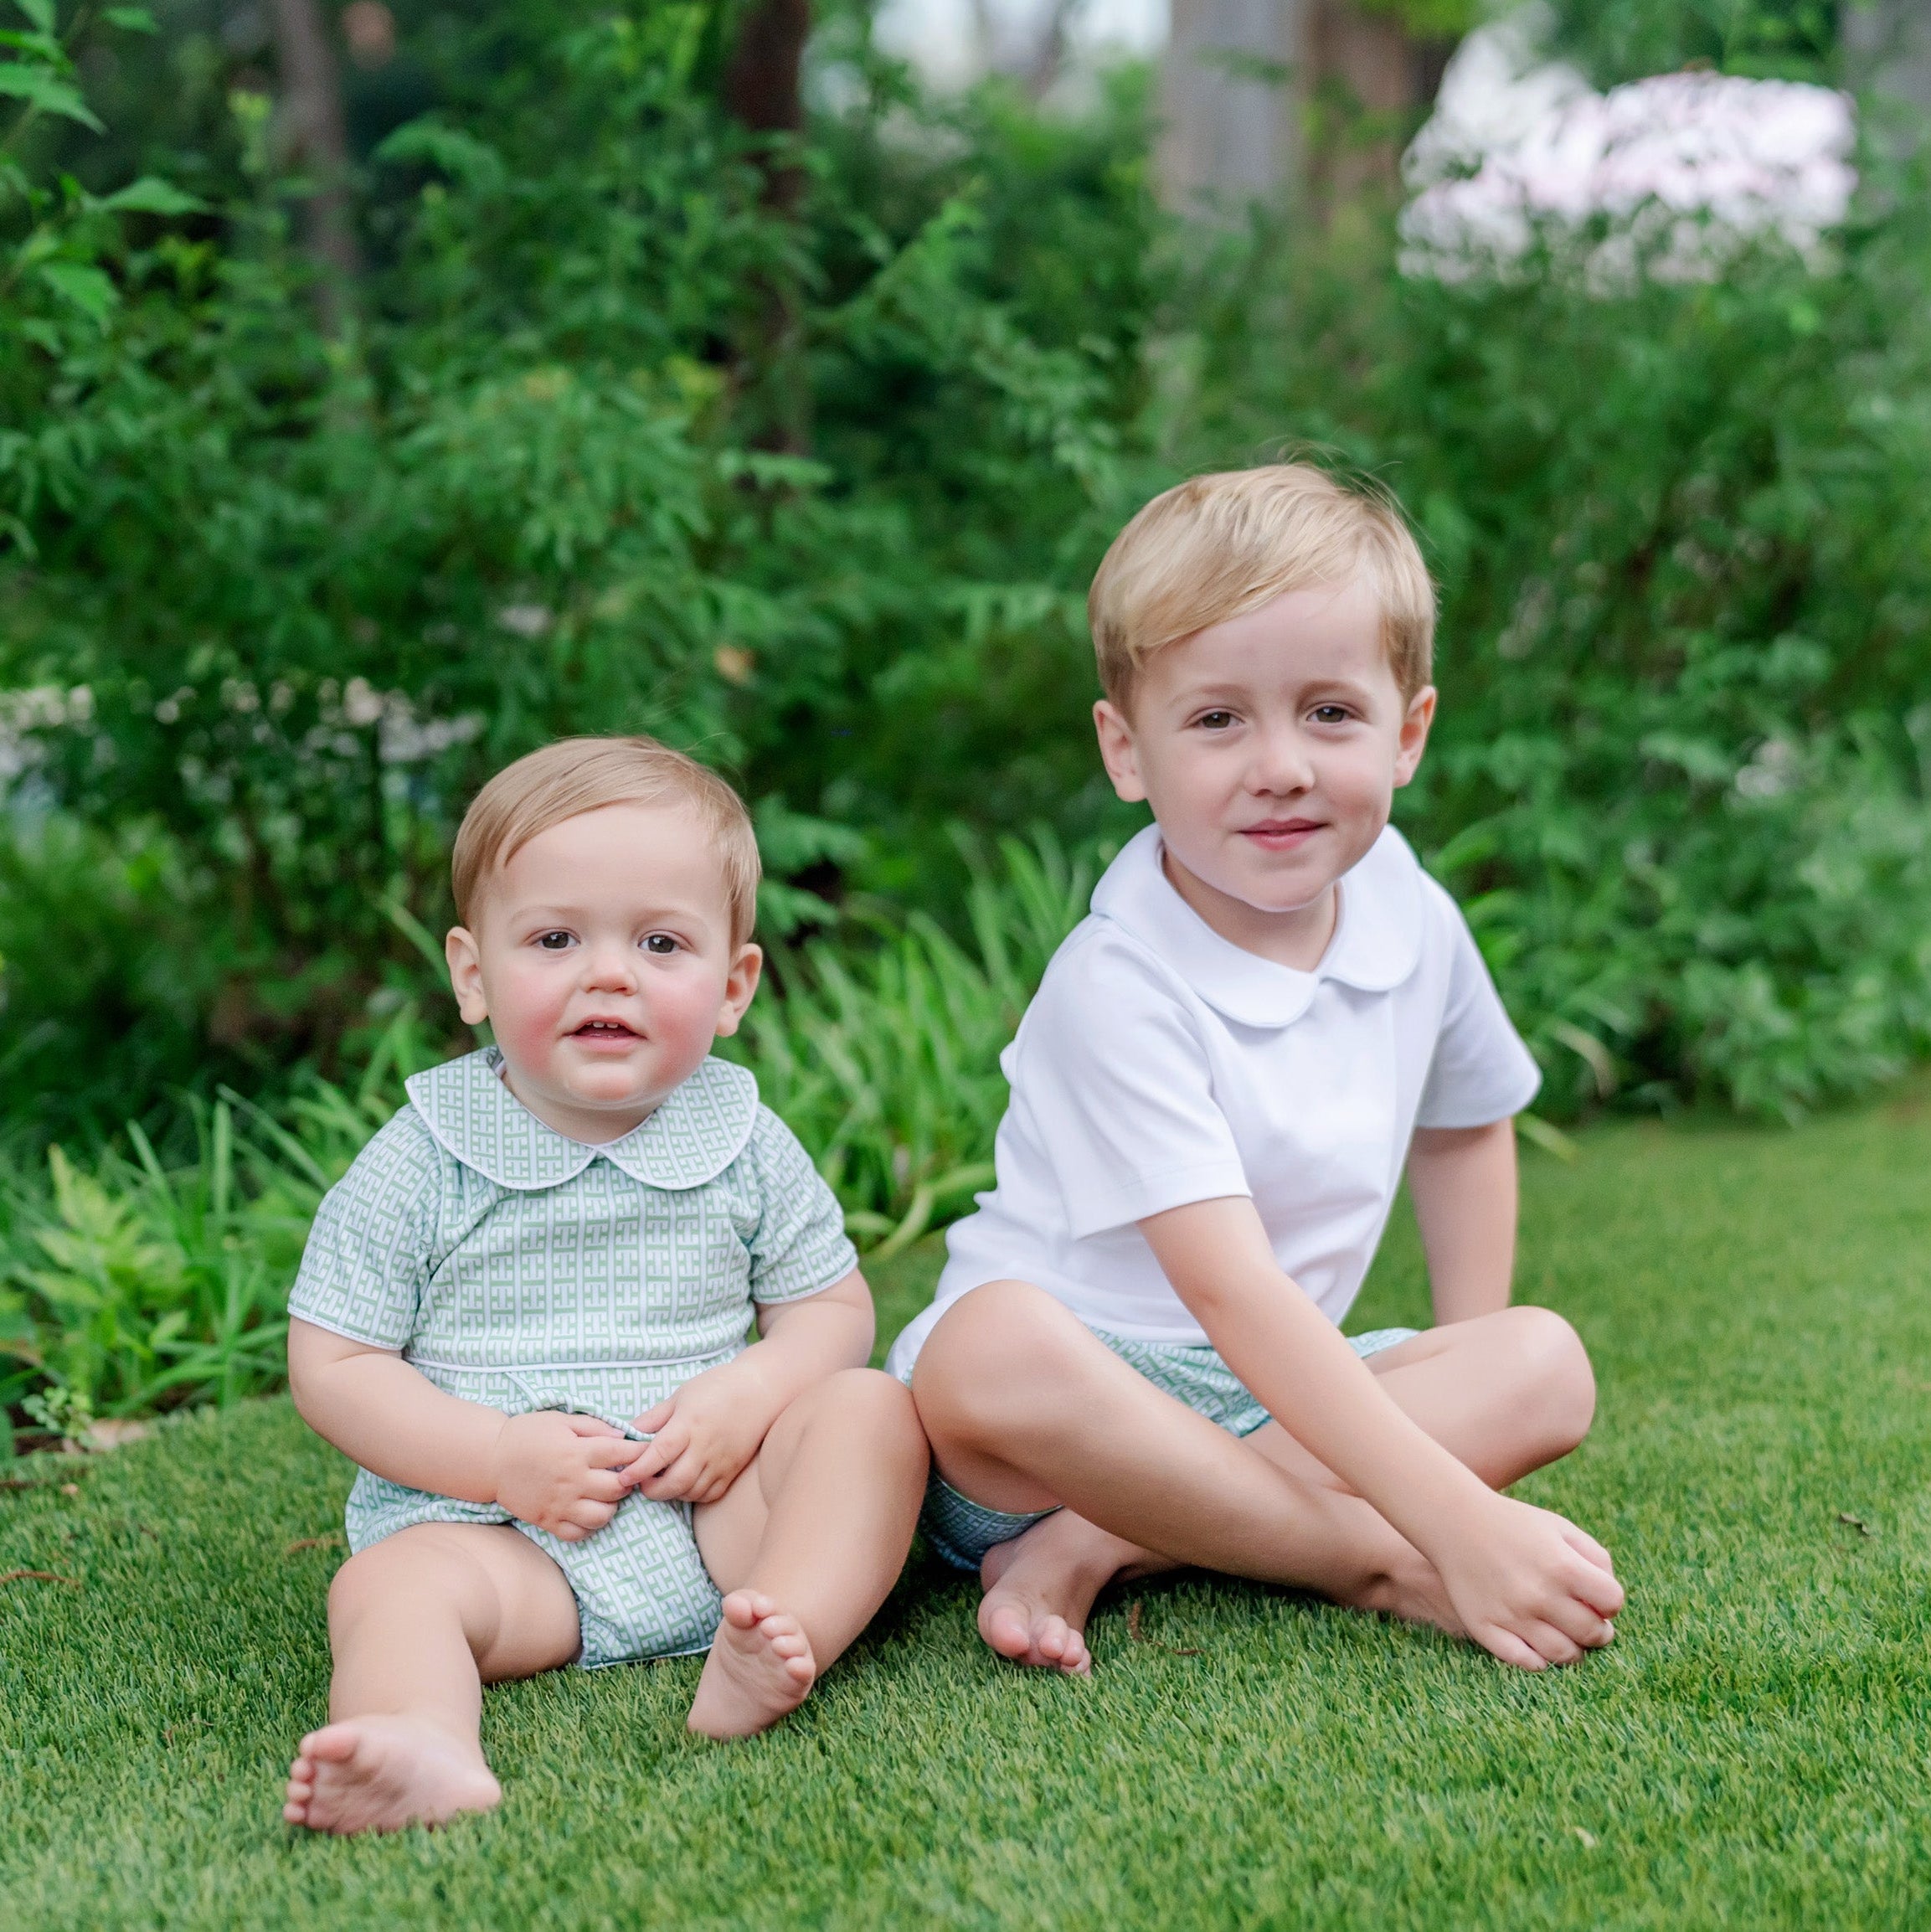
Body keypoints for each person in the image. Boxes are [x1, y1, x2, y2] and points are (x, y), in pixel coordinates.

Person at [888, 464, 1625, 1679]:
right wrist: (1446, 1519)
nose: (1279, 764)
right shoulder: (1117, 983)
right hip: (1072, 1412)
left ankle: (1106, 1548)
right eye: (1218, 719)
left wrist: (1466, 1358)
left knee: (1542, 1364)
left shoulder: (1410, 912)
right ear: (1128, 751)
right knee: (984, 1347)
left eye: (1330, 713)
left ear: (1409, 733)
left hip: (1274, 1409)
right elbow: (1229, 1292)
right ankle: (1359, 1560)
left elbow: (1466, 1122)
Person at [281, 737, 927, 1835]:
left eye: (661, 941)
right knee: (388, 1592)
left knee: (872, 1409)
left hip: (716, 1516)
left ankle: (778, 1634)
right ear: (473, 975)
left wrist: (752, 1393)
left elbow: (831, 1311)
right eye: (555, 938)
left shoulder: (747, 1142)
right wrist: (495, 1457)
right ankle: (420, 1738)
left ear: (733, 987)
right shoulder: (424, 1155)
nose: (610, 973)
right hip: (505, 1540)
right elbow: (333, 1365)